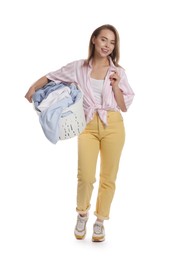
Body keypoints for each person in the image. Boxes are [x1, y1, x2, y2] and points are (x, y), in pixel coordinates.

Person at [25, 24, 135, 242]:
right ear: (94, 40)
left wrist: (115, 86)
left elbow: (124, 105)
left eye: (112, 42)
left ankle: (100, 221)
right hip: (86, 125)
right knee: (85, 176)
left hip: (113, 124)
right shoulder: (78, 68)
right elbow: (51, 76)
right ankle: (82, 214)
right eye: (104, 40)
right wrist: (32, 89)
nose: (107, 46)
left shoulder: (118, 72)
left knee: (108, 177)